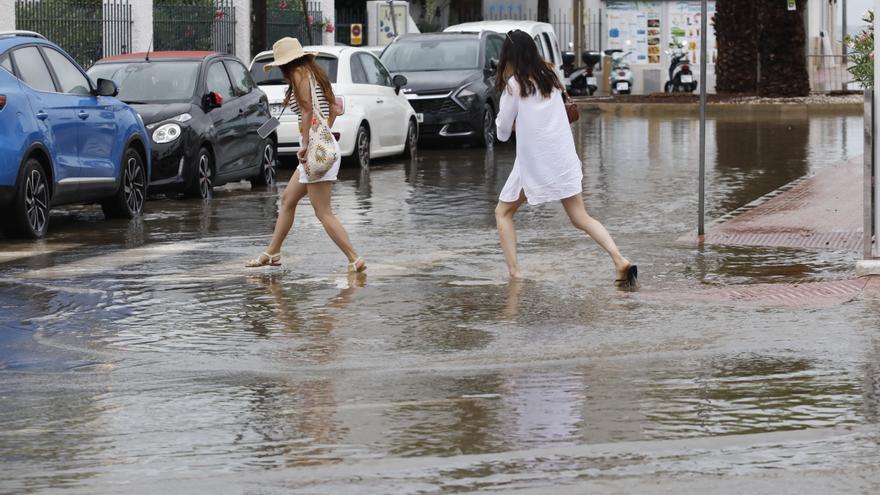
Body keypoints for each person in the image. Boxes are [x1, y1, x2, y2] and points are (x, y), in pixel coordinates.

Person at [493, 30, 636, 286]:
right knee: (581, 217)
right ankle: (619, 259)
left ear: (510, 55)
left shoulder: (515, 84)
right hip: (562, 158)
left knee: (503, 213)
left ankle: (515, 273)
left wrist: (513, 124)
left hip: (534, 163)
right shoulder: (550, 75)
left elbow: (502, 132)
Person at [246, 37, 366, 272]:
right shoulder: (314, 74)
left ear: (285, 63)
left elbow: (307, 111)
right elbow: (332, 109)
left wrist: (306, 144)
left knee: (323, 212)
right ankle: (273, 252)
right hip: (321, 150)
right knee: (288, 200)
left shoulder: (300, 74)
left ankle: (354, 258)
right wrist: (323, 136)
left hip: (314, 153)